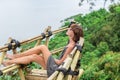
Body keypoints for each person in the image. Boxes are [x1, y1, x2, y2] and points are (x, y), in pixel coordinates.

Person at [2, 23, 83, 77]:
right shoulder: (71, 43)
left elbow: (60, 62)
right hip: (55, 68)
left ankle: (14, 56)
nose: (68, 29)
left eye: (70, 29)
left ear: (73, 33)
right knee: (34, 56)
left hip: (55, 70)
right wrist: (46, 56)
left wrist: (47, 56)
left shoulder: (71, 46)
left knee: (42, 47)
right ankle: (8, 62)